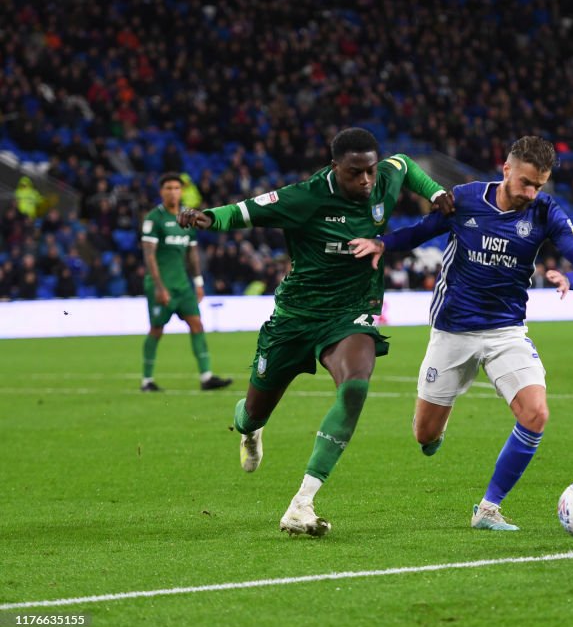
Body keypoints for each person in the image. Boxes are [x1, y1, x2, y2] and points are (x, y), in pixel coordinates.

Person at [177, 128, 454, 537]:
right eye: (355, 173)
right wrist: (207, 219)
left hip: (350, 312)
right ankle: (249, 428)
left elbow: (407, 165)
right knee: (254, 411)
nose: (365, 180)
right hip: (295, 318)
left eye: (370, 171)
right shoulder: (303, 197)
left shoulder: (384, 178)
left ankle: (302, 502)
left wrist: (433, 192)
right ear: (334, 168)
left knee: (356, 385)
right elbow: (245, 211)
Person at [350, 136, 573, 531]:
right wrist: (382, 243)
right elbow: (420, 231)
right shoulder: (465, 199)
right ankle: (435, 430)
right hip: (452, 331)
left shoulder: (544, 211)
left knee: (536, 414)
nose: (531, 193)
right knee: (424, 434)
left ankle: (488, 508)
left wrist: (572, 278)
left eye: (539, 185)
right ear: (506, 170)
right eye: (525, 183)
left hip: (506, 332)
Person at [140, 173, 232, 393]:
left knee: (197, 324)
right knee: (156, 330)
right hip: (161, 285)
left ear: (182, 191)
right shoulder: (154, 219)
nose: (173, 192)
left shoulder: (186, 218)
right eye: (168, 188)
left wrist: (199, 283)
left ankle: (206, 377)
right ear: (161, 191)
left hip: (183, 285)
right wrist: (159, 287)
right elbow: (149, 255)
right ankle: (147, 381)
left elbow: (192, 255)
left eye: (176, 188)